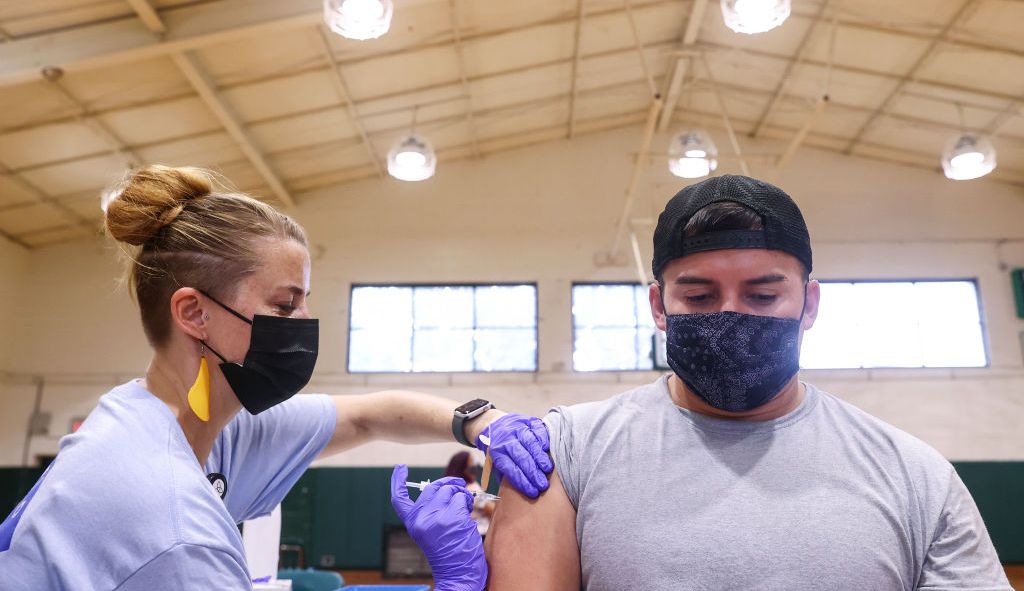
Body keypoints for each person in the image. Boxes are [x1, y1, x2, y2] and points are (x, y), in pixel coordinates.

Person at [0, 165, 552, 591]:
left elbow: (369, 414)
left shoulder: (196, 423)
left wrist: (481, 421)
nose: (304, 325)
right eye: (285, 306)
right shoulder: (172, 528)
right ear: (194, 313)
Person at [484, 175, 1012, 590]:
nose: (731, 317)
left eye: (762, 297)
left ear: (809, 304)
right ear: (658, 307)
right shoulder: (568, 452)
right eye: (698, 297)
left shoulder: (915, 476)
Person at [443, 451, 496, 537]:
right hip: (479, 535)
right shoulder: (471, 488)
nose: (474, 468)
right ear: (462, 468)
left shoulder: (447, 488)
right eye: (471, 465)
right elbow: (491, 510)